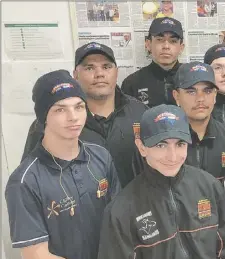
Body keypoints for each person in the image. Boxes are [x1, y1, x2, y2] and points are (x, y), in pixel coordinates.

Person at [94, 104, 225, 259]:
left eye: (179, 144)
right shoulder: (122, 209)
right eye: (161, 145)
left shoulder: (208, 186)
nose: (172, 156)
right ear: (142, 146)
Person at [5, 70, 121, 259]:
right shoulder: (25, 181)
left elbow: (119, 225)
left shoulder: (101, 158)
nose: (73, 117)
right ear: (43, 115)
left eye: (79, 106)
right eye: (60, 109)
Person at [22, 42, 147, 188]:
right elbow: (30, 179)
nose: (99, 74)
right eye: (89, 68)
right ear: (75, 75)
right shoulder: (48, 124)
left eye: (106, 67)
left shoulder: (141, 113)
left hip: (133, 207)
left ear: (116, 72)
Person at [122, 17, 184, 107]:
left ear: (181, 47)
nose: (166, 46)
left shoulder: (193, 78)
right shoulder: (132, 83)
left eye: (173, 41)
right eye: (159, 40)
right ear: (148, 44)